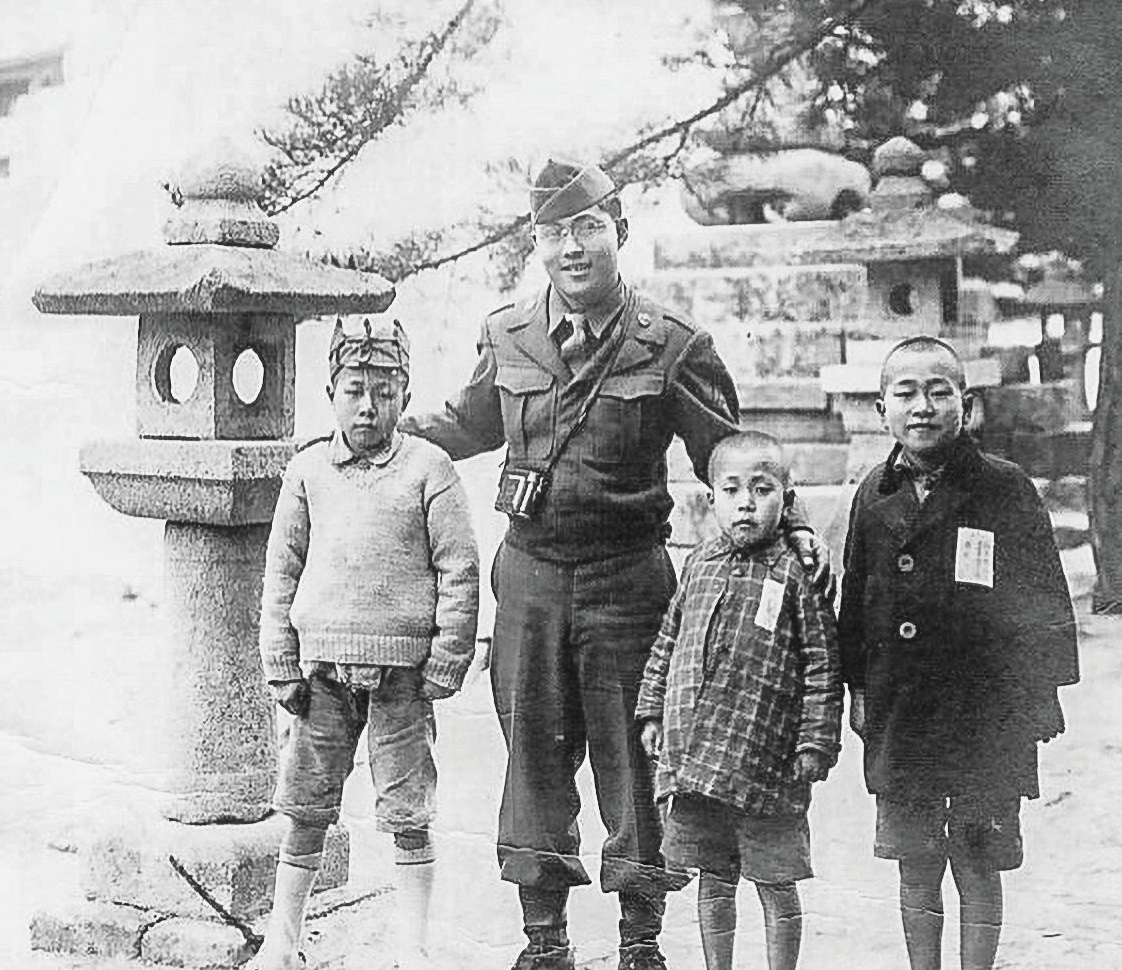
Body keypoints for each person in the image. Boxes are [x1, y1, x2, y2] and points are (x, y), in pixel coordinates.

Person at [401, 158, 824, 970]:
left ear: (619, 233)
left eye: (587, 229)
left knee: (636, 758)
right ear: (538, 246)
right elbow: (466, 422)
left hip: (629, 584)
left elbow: (732, 456)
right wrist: (376, 435)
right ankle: (545, 941)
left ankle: (640, 942)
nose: (572, 249)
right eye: (555, 235)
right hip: (528, 578)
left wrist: (795, 526)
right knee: (531, 753)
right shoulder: (508, 334)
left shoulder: (671, 346)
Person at [838, 336, 1079, 970]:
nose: (923, 407)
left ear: (966, 405)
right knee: (916, 861)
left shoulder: (1004, 488)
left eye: (939, 391)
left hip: (986, 713)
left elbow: (1042, 592)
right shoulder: (872, 494)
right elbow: (856, 600)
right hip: (904, 712)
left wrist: (1041, 694)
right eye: (906, 393)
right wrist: (858, 688)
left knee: (978, 857)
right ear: (879, 408)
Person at [254, 318, 480, 970]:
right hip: (320, 674)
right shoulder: (307, 472)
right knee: (305, 807)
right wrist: (281, 658)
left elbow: (459, 568)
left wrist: (447, 656)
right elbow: (282, 568)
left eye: (384, 391)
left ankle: (412, 948)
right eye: (354, 389)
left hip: (403, 678)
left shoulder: (428, 469)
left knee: (408, 811)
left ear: (405, 396)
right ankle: (282, 941)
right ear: (330, 390)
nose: (367, 405)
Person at [635, 432, 841, 970]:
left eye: (762, 488)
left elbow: (822, 662)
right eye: (731, 490)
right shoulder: (699, 563)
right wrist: (653, 709)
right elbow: (667, 640)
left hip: (767, 760)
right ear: (710, 499)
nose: (746, 501)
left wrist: (815, 741)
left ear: (787, 498)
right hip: (698, 754)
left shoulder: (798, 573)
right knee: (713, 877)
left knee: (776, 881)